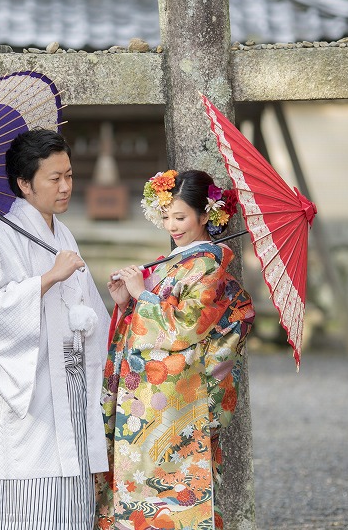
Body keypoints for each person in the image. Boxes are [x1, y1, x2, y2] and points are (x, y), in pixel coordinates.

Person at [96, 169, 255, 530]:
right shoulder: (181, 262)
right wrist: (125, 304)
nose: (172, 225)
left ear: (205, 215)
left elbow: (185, 328)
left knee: (173, 492)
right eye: (166, 216)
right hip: (151, 399)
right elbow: (157, 320)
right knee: (138, 484)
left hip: (179, 402)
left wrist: (142, 295)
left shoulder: (209, 265)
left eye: (180, 217)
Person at [0, 129, 111, 529]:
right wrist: (47, 279)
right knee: (25, 506)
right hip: (30, 397)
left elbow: (84, 308)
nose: (66, 186)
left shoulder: (61, 234)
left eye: (69, 175)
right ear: (24, 184)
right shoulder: (1, 237)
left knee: (70, 503)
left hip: (67, 386)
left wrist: (114, 302)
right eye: (54, 179)